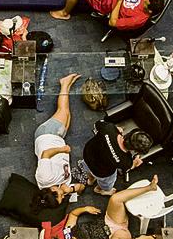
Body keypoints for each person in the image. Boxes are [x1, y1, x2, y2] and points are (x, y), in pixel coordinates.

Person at [32, 74, 88, 203]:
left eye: (60, 195)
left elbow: (45, 154)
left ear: (50, 191)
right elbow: (82, 187)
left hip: (47, 135)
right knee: (67, 114)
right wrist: (71, 190)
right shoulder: (60, 188)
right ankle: (66, 87)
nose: (63, 195)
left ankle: (64, 83)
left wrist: (62, 149)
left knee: (63, 109)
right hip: (57, 138)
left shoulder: (45, 178)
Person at [82, 120, 151, 195]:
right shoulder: (126, 161)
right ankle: (100, 189)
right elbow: (128, 167)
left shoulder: (109, 128)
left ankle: (91, 180)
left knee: (88, 169)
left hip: (87, 155)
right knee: (107, 184)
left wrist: (116, 129)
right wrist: (135, 163)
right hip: (100, 172)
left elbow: (97, 124)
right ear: (134, 150)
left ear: (129, 134)